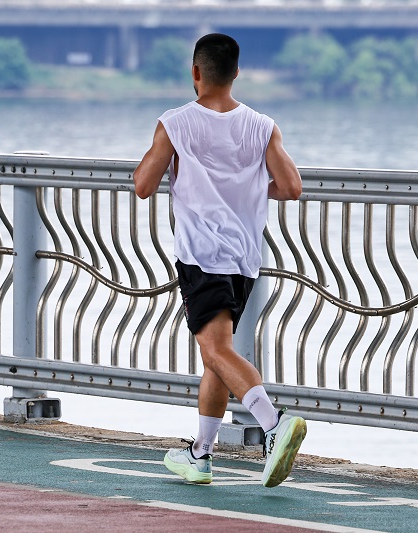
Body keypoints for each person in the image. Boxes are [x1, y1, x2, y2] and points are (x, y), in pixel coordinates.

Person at [133, 33, 306, 488]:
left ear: (196, 72)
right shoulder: (263, 126)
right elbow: (290, 187)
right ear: (236, 74)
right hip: (244, 256)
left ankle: (274, 424)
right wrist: (249, 187)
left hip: (201, 255)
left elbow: (143, 185)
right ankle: (201, 454)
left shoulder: (176, 123)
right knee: (216, 354)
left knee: (215, 350)